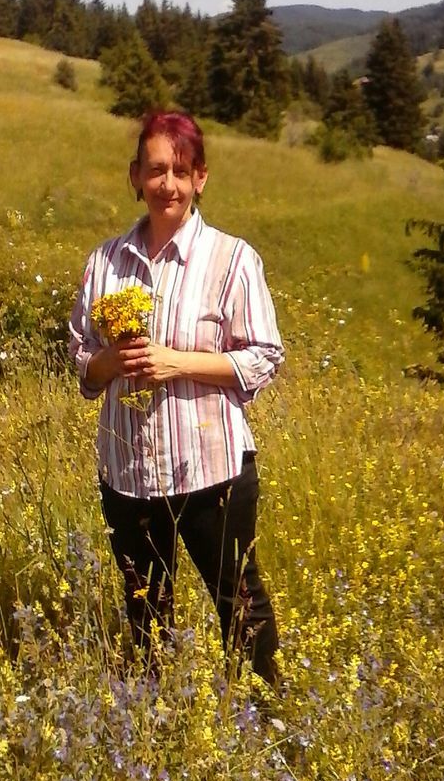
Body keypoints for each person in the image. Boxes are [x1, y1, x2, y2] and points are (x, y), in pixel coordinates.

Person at [68, 110, 283, 686]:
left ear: (200, 179)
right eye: (156, 170)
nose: (168, 184)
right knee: (145, 613)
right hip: (129, 474)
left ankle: (266, 724)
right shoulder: (104, 263)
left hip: (211, 470)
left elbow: (264, 356)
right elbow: (81, 358)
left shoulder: (233, 260)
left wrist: (175, 362)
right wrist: (109, 363)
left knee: (238, 603)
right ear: (135, 176)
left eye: (181, 171)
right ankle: (152, 736)